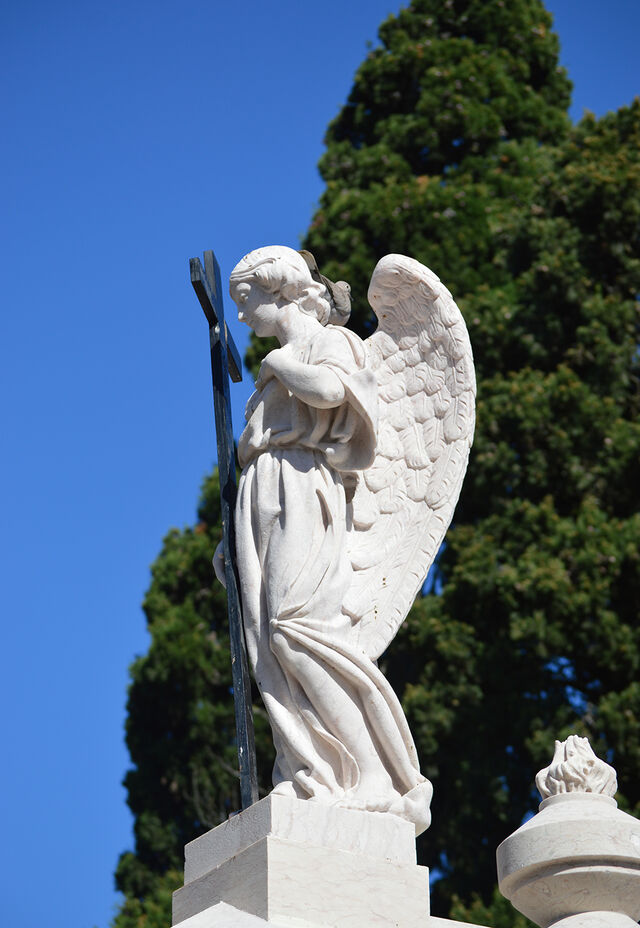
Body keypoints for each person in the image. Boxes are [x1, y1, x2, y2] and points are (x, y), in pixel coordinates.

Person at [224, 245, 431, 830]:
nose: (242, 317)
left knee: (299, 629)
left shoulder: (325, 343)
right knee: (268, 643)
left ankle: (381, 775)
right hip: (261, 495)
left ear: (280, 289)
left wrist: (278, 367)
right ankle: (309, 771)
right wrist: (231, 540)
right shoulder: (275, 370)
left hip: (302, 485)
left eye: (247, 301)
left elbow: (333, 394)